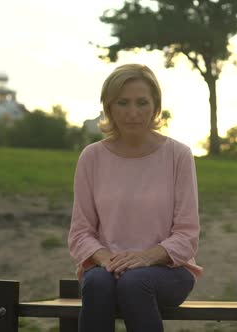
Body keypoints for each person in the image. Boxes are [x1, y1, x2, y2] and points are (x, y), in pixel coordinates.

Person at [68, 64, 201, 332]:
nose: (132, 113)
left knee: (134, 283)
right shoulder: (91, 157)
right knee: (96, 283)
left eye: (142, 102)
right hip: (106, 269)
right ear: (109, 107)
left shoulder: (178, 156)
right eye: (123, 103)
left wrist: (145, 258)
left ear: (155, 107)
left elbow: (187, 235)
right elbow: (80, 233)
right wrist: (108, 260)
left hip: (168, 271)